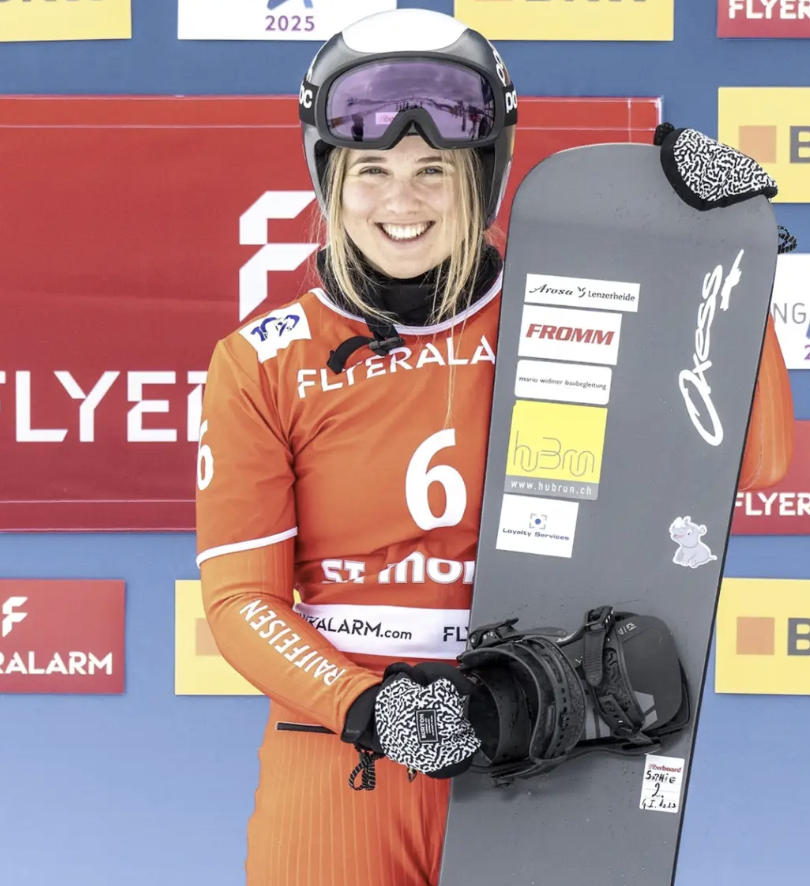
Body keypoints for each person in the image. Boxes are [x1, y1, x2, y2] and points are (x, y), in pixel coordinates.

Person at [194, 8, 794, 886]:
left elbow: (750, 462)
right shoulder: (263, 362)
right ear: (329, 179)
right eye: (371, 171)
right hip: (345, 756)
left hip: (544, 735)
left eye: (433, 170)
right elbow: (241, 602)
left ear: (485, 172)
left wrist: (729, 263)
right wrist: (369, 707)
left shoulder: (573, 298)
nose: (402, 202)